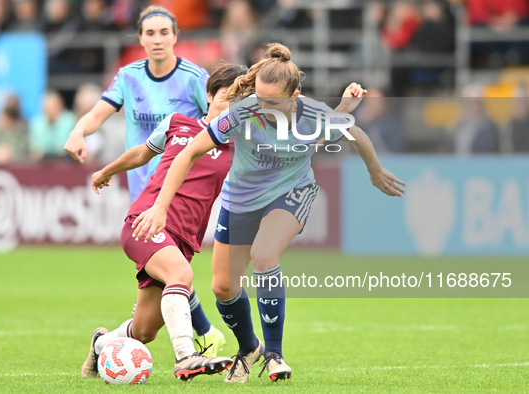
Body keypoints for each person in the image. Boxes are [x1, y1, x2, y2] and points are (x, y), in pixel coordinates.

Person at [131, 43, 406, 383]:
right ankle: (249, 349)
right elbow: (189, 153)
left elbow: (357, 134)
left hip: (291, 194)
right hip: (241, 201)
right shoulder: (242, 112)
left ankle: (275, 354)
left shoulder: (314, 116)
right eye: (259, 99)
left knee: (264, 256)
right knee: (222, 287)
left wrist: (374, 171)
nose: (261, 107)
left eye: (272, 102)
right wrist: (160, 206)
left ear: (295, 97)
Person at [64, 5, 224, 354]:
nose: (157, 40)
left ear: (176, 37)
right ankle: (197, 344)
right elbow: (99, 113)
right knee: (175, 272)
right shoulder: (129, 76)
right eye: (149, 33)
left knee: (156, 305)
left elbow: (215, 123)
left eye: (164, 33)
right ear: (139, 38)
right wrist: (78, 131)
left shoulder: (196, 79)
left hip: (181, 195)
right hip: (145, 196)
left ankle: (110, 343)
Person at [81, 63, 249, 381]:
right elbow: (142, 154)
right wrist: (107, 171)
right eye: (228, 96)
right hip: (146, 222)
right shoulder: (178, 123)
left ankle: (100, 343)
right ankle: (186, 357)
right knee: (182, 274)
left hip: (182, 239)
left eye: (242, 101)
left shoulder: (239, 146)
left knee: (144, 331)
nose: (233, 107)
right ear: (210, 96)